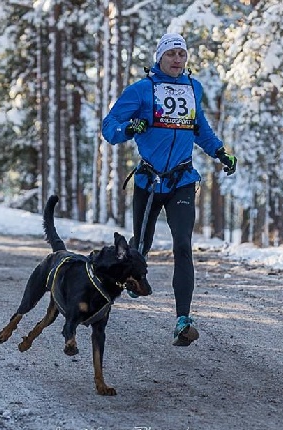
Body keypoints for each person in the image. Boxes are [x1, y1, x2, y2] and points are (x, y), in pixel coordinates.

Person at [102, 33, 237, 347]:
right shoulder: (142, 90)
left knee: (183, 246)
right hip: (149, 182)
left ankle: (183, 320)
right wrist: (128, 129)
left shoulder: (193, 88)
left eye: (182, 54)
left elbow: (199, 126)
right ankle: (128, 282)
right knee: (142, 246)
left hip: (182, 180)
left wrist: (219, 151)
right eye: (171, 54)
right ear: (159, 57)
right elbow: (110, 127)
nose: (177, 60)